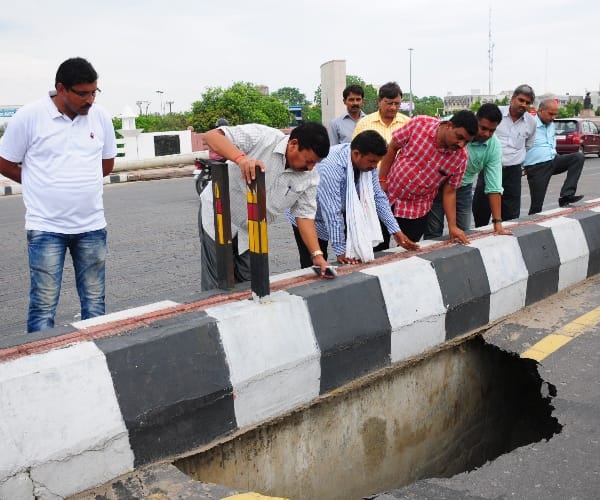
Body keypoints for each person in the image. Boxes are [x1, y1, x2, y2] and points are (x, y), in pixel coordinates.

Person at [0, 57, 117, 333]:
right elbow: (5, 161)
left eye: (94, 92)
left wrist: (79, 182)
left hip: (92, 227)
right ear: (61, 89)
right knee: (43, 305)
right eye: (83, 93)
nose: (90, 100)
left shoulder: (100, 117)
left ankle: (95, 351)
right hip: (46, 227)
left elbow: (106, 163)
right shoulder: (30, 116)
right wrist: (37, 183)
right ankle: (40, 356)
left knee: (95, 303)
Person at [199, 122, 330, 290]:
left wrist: (316, 254)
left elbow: (304, 216)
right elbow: (211, 136)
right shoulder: (263, 137)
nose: (310, 168)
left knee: (253, 285)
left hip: (253, 230)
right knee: (219, 282)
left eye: (315, 163)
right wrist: (241, 159)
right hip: (219, 215)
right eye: (309, 160)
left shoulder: (310, 177)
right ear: (293, 144)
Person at [287, 130, 420, 268]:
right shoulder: (331, 166)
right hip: (308, 217)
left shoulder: (368, 166)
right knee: (314, 263)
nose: (375, 166)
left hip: (340, 211)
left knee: (354, 256)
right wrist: (340, 250)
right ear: (356, 154)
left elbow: (378, 197)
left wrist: (396, 231)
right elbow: (332, 211)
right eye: (372, 161)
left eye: (377, 162)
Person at [379, 110, 478, 244]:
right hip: (388, 197)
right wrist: (382, 179)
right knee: (377, 245)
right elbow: (392, 147)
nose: (461, 144)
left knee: (406, 249)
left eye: (466, 142)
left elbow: (449, 192)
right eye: (459, 137)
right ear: (449, 125)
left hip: (416, 210)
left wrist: (452, 226)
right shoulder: (419, 123)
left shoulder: (460, 158)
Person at [425, 103, 512, 238]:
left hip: (463, 188)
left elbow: (494, 186)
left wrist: (497, 223)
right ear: (475, 120)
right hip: (437, 186)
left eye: (492, 131)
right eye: (483, 128)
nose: (486, 134)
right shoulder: (454, 130)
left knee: (463, 231)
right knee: (434, 231)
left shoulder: (493, 146)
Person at [352, 81, 410, 250]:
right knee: (377, 236)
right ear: (379, 101)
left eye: (397, 104)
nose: (393, 107)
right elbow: (355, 153)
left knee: (403, 233)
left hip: (400, 188)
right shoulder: (365, 123)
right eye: (388, 103)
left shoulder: (408, 123)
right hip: (371, 185)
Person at [472, 84, 537, 225]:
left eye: (527, 103)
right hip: (489, 169)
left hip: (513, 173)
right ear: (512, 98)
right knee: (481, 210)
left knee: (511, 214)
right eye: (521, 100)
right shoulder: (495, 115)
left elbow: (528, 145)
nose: (523, 105)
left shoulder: (531, 122)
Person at [523, 98, 585, 213]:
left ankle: (566, 196)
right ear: (540, 111)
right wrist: (521, 165)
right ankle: (533, 223)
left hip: (553, 160)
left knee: (578, 157)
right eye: (551, 114)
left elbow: (552, 143)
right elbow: (518, 145)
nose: (553, 117)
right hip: (537, 167)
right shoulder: (529, 124)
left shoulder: (551, 124)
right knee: (537, 207)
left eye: (555, 114)